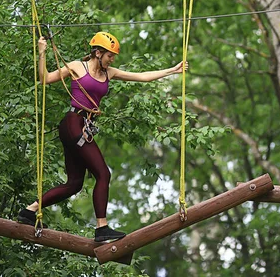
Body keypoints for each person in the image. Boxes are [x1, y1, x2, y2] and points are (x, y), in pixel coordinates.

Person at [17, 31, 188, 242]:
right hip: (73, 123)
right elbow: (45, 79)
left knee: (74, 184)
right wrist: (42, 53)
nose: (112, 59)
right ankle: (101, 227)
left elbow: (141, 77)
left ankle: (29, 211)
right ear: (98, 53)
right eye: (110, 55)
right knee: (103, 174)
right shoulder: (77, 67)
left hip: (82, 126)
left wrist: (173, 70)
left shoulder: (110, 72)